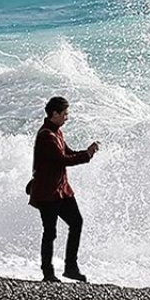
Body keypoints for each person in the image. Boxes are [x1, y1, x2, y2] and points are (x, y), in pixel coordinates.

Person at [27, 95, 99, 283]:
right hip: (47, 193)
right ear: (55, 113)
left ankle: (70, 268)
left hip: (62, 190)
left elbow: (67, 152)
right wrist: (86, 156)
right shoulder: (46, 136)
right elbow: (62, 160)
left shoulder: (57, 132)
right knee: (50, 232)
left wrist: (86, 152)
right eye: (65, 114)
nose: (67, 117)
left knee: (77, 222)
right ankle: (47, 273)